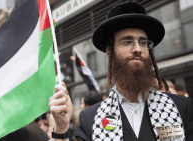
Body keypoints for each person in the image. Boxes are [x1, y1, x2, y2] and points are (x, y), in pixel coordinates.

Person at [49, 2, 193, 141]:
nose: (137, 49)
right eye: (127, 41)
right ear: (109, 51)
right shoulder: (90, 118)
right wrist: (61, 128)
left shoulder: (182, 108)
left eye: (143, 42)